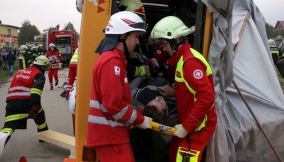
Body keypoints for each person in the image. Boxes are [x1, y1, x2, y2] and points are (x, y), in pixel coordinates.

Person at [87, 11, 153, 162]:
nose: (137, 43)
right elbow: (114, 104)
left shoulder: (114, 60)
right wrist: (140, 119)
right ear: (122, 35)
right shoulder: (112, 61)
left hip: (112, 135)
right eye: (135, 36)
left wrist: (136, 112)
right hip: (110, 136)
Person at [150, 16, 217, 162]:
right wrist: (173, 92)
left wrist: (187, 127)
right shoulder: (183, 59)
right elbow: (192, 90)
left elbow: (206, 97)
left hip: (197, 127)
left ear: (177, 40)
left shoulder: (190, 62)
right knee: (173, 155)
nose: (164, 49)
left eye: (165, 44)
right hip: (188, 124)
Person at [0, 55, 50, 147]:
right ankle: (43, 135)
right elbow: (36, 91)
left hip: (12, 104)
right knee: (39, 114)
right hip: (27, 103)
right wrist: (35, 107)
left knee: (7, 128)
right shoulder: (39, 74)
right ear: (43, 66)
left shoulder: (19, 73)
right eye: (45, 67)